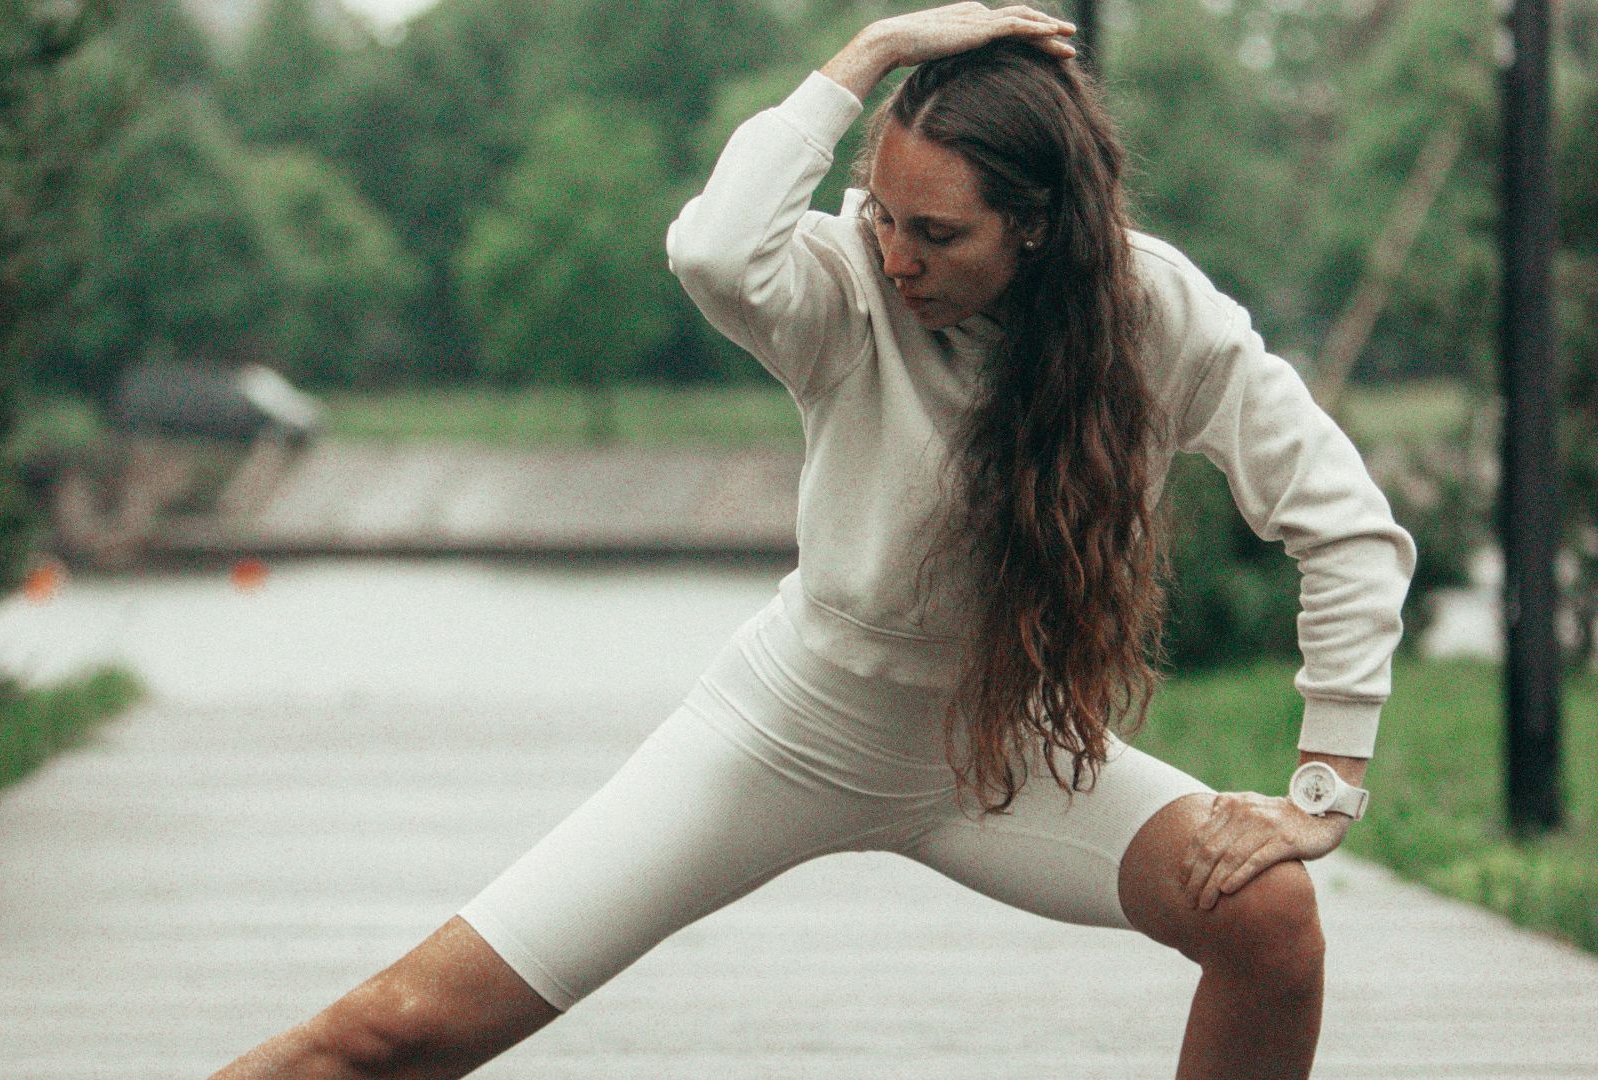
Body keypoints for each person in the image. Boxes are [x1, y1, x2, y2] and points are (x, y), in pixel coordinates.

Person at [208, 5, 1416, 1078]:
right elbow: (713, 249)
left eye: (936, 233)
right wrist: (873, 51)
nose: (898, 256)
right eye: (884, 215)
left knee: (1272, 920)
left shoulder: (1161, 318)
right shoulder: (845, 286)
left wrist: (1326, 783)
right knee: (395, 1034)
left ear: (1040, 224)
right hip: (785, 728)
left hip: (1002, 757)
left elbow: (1347, 524)